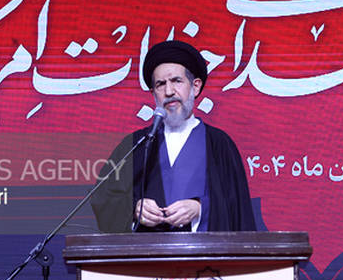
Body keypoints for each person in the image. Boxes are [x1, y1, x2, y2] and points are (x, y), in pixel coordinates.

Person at [91, 39, 256, 232]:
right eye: (160, 84)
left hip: (205, 250)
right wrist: (134, 209)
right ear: (153, 93)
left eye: (177, 81)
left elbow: (238, 209)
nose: (169, 91)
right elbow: (104, 199)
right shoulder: (137, 144)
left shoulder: (219, 143)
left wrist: (200, 209)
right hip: (146, 249)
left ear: (195, 86)